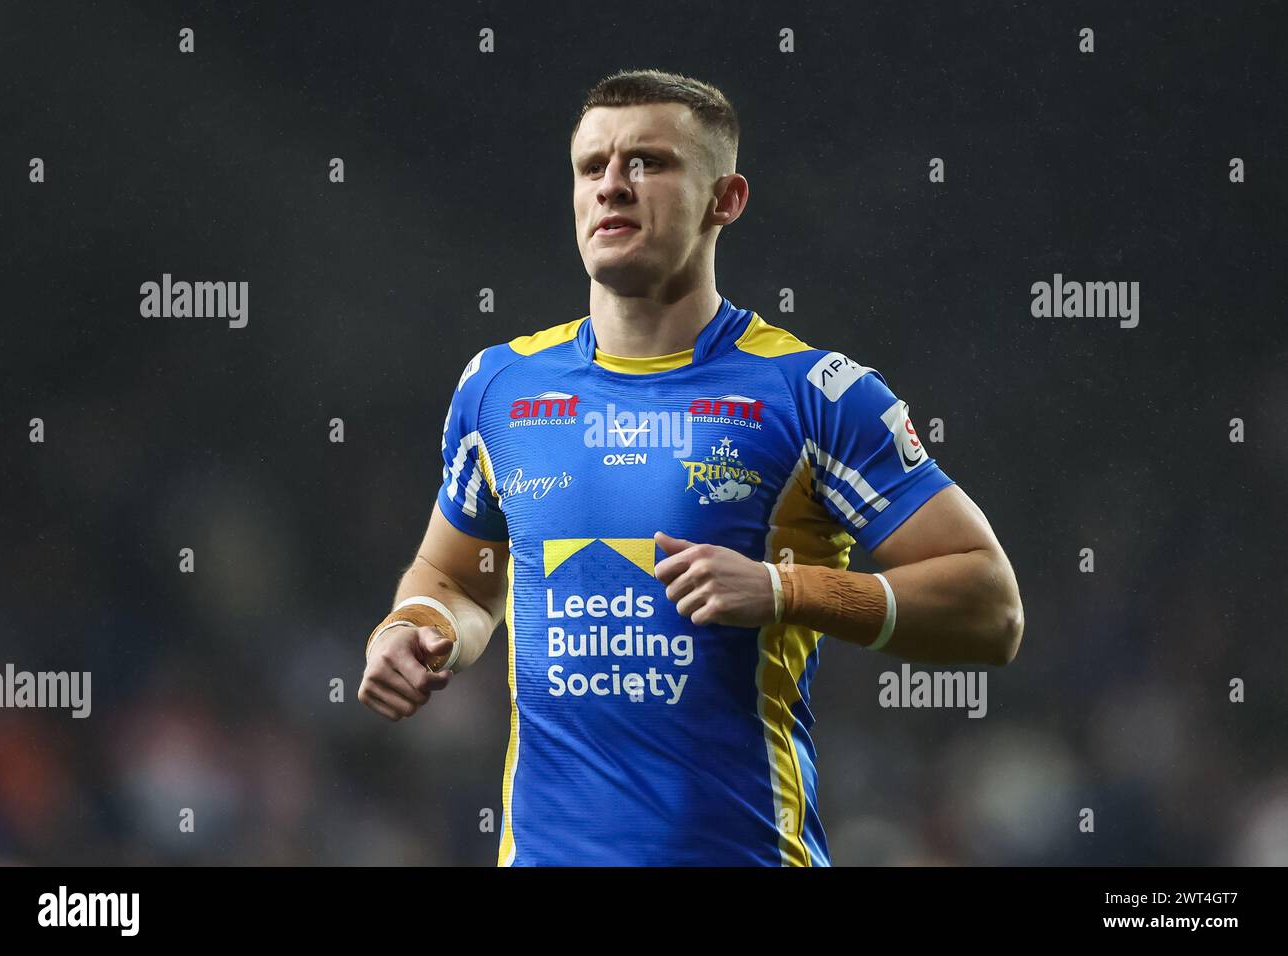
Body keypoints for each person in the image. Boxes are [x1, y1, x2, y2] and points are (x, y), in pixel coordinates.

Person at [358, 69, 1024, 866]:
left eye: (647, 162)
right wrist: (417, 627)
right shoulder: (499, 388)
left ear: (726, 198)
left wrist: (783, 590)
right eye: (591, 166)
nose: (612, 186)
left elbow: (992, 608)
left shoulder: (812, 394)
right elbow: (461, 580)